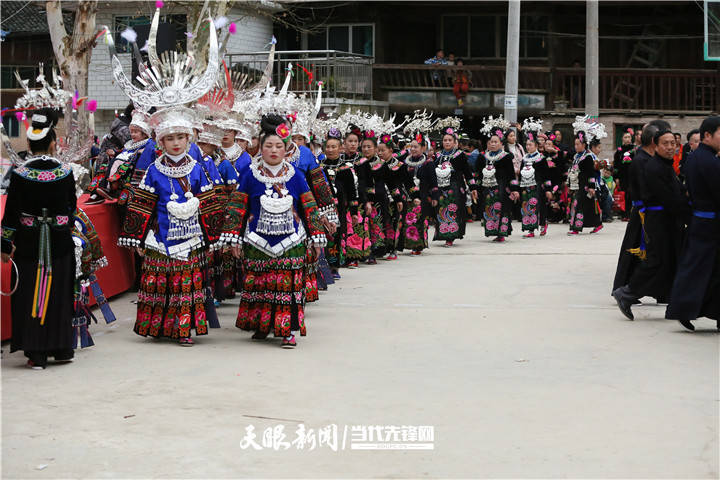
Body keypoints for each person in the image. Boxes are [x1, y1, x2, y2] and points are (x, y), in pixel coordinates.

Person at [222, 114, 327, 348]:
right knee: (260, 285)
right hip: (258, 240)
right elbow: (238, 206)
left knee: (286, 287)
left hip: (291, 241)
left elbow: (309, 206)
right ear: (260, 147)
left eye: (278, 146)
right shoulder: (250, 175)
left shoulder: (296, 175)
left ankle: (286, 330)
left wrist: (317, 237)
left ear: (286, 148)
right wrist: (233, 239)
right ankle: (262, 325)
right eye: (268, 145)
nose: (273, 150)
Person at [119, 106, 221, 346]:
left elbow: (208, 203)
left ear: (189, 139)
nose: (175, 143)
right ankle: (159, 327)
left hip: (191, 237)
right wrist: (137, 238)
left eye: (180, 137)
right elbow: (142, 203)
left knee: (185, 284)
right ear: (160, 142)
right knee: (160, 281)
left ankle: (184, 329)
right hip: (160, 236)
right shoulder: (154, 171)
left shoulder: (197, 169)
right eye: (169, 138)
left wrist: (213, 238)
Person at [1, 109, 77, 369]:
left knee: (32, 295)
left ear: (30, 144)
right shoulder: (66, 172)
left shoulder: (21, 174)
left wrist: (4, 244)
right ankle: (62, 347)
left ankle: (37, 353)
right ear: (54, 143)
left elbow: (10, 214)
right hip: (59, 244)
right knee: (57, 293)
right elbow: (72, 208)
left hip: (29, 246)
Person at [612, 129, 690, 320]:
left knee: (666, 260)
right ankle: (627, 293)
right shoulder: (653, 167)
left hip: (668, 219)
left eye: (673, 143)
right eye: (666, 143)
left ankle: (668, 297)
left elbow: (676, 192)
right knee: (656, 260)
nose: (670, 147)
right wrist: (689, 213)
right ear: (656, 144)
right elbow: (668, 198)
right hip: (659, 220)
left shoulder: (665, 165)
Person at [665, 116, 720, 331]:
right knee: (697, 270)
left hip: (703, 222)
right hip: (709, 225)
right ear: (708, 135)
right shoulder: (708, 161)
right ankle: (682, 308)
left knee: (708, 270)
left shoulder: (698, 157)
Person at [612, 120, 672, 293]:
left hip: (646, 212)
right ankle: (624, 289)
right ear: (655, 140)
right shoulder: (642, 160)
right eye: (664, 141)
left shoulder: (647, 159)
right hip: (643, 213)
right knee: (635, 253)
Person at [432, 127, 477, 246]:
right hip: (441, 188)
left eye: (449, 140)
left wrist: (473, 188)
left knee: (453, 210)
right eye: (445, 140)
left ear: (454, 142)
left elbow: (467, 173)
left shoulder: (460, 155)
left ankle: (451, 236)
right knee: (441, 210)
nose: (447, 142)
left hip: (455, 188)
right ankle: (442, 233)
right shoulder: (437, 156)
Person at [398, 132, 438, 255]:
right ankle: (408, 244)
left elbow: (433, 181)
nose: (413, 149)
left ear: (423, 148)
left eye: (416, 147)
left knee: (420, 221)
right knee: (408, 221)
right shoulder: (405, 163)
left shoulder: (429, 163)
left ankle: (418, 245)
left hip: (423, 196)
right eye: (412, 147)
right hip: (409, 196)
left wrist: (435, 196)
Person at [478, 126, 518, 242]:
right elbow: (479, 174)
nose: (493, 144)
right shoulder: (484, 157)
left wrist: (514, 189)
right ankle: (493, 231)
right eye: (491, 142)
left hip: (502, 187)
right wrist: (476, 187)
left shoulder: (506, 157)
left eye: (496, 142)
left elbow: (511, 175)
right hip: (488, 188)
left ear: (501, 143)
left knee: (502, 209)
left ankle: (501, 233)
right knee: (490, 208)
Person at [567, 130, 603, 235]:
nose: (576, 146)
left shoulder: (587, 157)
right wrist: (569, 184)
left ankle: (576, 228)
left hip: (585, 186)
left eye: (578, 144)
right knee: (588, 206)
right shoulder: (576, 156)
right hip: (576, 185)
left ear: (584, 145)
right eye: (575, 144)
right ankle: (597, 223)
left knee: (579, 205)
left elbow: (591, 173)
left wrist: (591, 186)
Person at [519, 133, 551, 237]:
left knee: (538, 206)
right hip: (526, 187)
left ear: (536, 146)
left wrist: (548, 189)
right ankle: (530, 229)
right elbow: (520, 173)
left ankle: (542, 224)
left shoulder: (541, 158)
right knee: (527, 207)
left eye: (530, 145)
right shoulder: (524, 159)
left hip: (538, 186)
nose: (528, 147)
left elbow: (546, 175)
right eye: (527, 145)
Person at [613, 130, 635, 221]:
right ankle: (624, 214)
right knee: (624, 195)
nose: (627, 139)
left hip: (633, 175)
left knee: (631, 194)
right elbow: (616, 165)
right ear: (622, 139)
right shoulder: (619, 151)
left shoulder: (635, 150)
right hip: (623, 176)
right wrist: (616, 177)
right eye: (625, 137)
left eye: (629, 137)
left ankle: (631, 214)